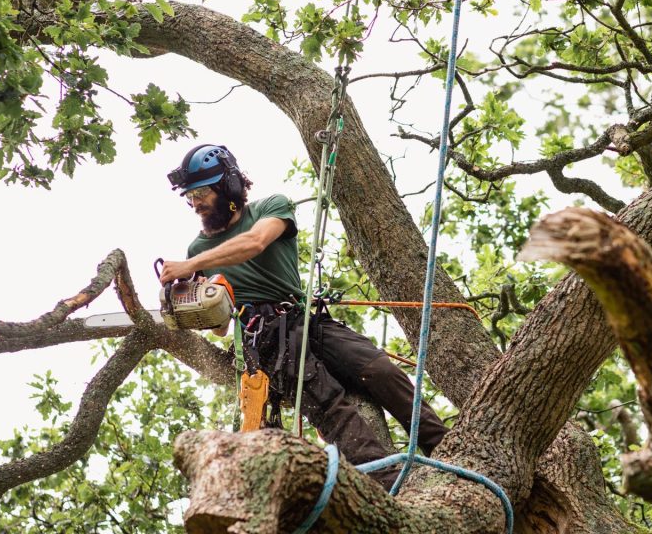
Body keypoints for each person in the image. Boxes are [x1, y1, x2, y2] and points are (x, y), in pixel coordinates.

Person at [158, 143, 449, 489]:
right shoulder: (199, 249)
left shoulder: (270, 208)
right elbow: (221, 328)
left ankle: (445, 447)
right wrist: (195, 301)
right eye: (190, 196)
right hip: (265, 337)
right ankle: (388, 483)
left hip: (304, 318)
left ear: (229, 186)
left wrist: (192, 265)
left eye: (202, 192)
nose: (195, 203)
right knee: (329, 403)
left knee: (379, 368)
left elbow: (254, 243)